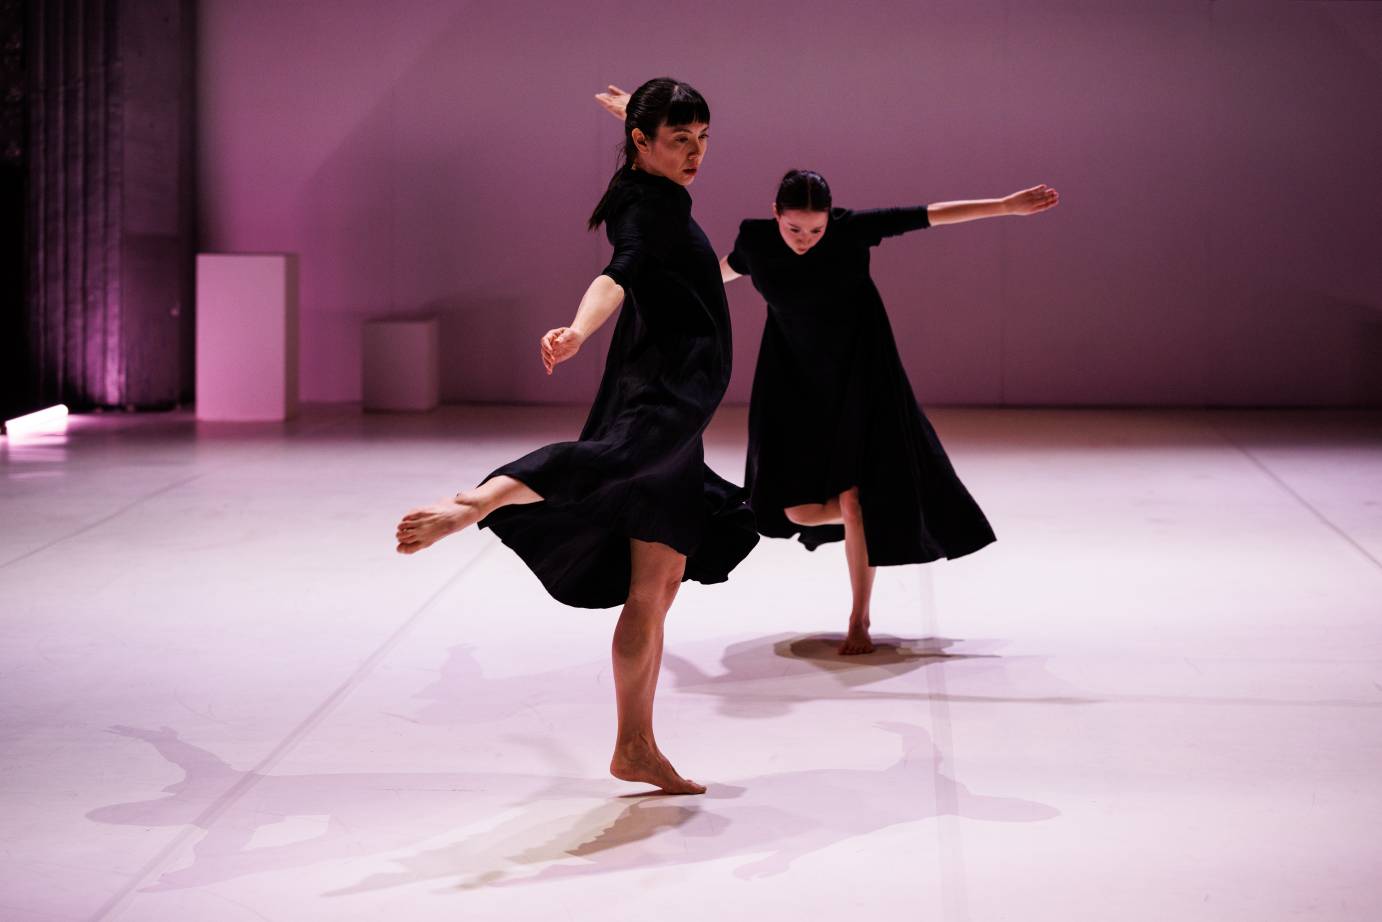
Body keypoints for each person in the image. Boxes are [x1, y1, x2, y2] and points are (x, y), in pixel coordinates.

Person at [593, 86, 1060, 656]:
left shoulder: (850, 231)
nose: (806, 240)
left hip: (860, 375)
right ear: (775, 217)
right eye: (795, 230)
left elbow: (928, 216)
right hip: (791, 379)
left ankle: (859, 619)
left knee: (855, 496)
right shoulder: (756, 241)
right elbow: (710, 274)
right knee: (784, 507)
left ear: (830, 220)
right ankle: (866, 513)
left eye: (816, 230)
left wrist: (1004, 206)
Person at [396, 78, 757, 795]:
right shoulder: (642, 211)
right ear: (642, 147)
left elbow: (651, 168)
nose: (695, 154)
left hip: (688, 403)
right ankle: (472, 504)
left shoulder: (649, 179)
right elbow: (615, 276)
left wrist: (639, 114)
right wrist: (578, 330)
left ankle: (635, 746)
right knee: (609, 461)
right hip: (668, 389)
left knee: (658, 581)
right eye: (679, 140)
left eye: (702, 139)